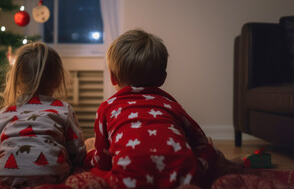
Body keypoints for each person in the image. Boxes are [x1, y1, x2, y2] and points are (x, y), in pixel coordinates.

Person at [84, 29, 219, 188]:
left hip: (127, 181)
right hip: (184, 178)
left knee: (94, 172)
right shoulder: (171, 106)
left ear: (112, 77)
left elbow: (103, 161)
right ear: (163, 78)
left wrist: (88, 157)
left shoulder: (106, 108)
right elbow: (200, 140)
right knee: (209, 151)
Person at [0, 42, 86, 188]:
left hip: (6, 176)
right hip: (53, 175)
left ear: (17, 79)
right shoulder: (63, 109)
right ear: (58, 79)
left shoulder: (6, 112)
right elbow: (77, 154)